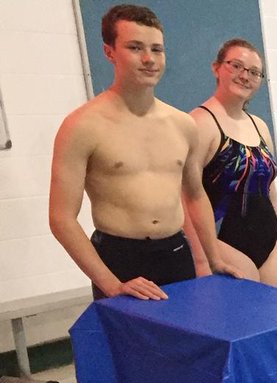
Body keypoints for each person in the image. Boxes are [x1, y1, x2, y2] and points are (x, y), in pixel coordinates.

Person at [49, 4, 236, 300]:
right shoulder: (82, 126)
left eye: (157, 49)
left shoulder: (182, 124)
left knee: (186, 345)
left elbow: (195, 194)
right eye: (135, 47)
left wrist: (214, 258)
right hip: (119, 260)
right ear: (109, 52)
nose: (149, 59)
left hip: (176, 254)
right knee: (132, 347)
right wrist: (111, 285)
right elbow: (61, 218)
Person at [187, 38, 277, 291]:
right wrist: (203, 260)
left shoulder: (259, 126)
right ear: (217, 68)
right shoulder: (200, 123)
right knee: (247, 322)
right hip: (223, 242)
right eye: (236, 66)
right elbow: (186, 198)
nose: (244, 76)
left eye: (254, 72)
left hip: (268, 245)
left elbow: (273, 197)